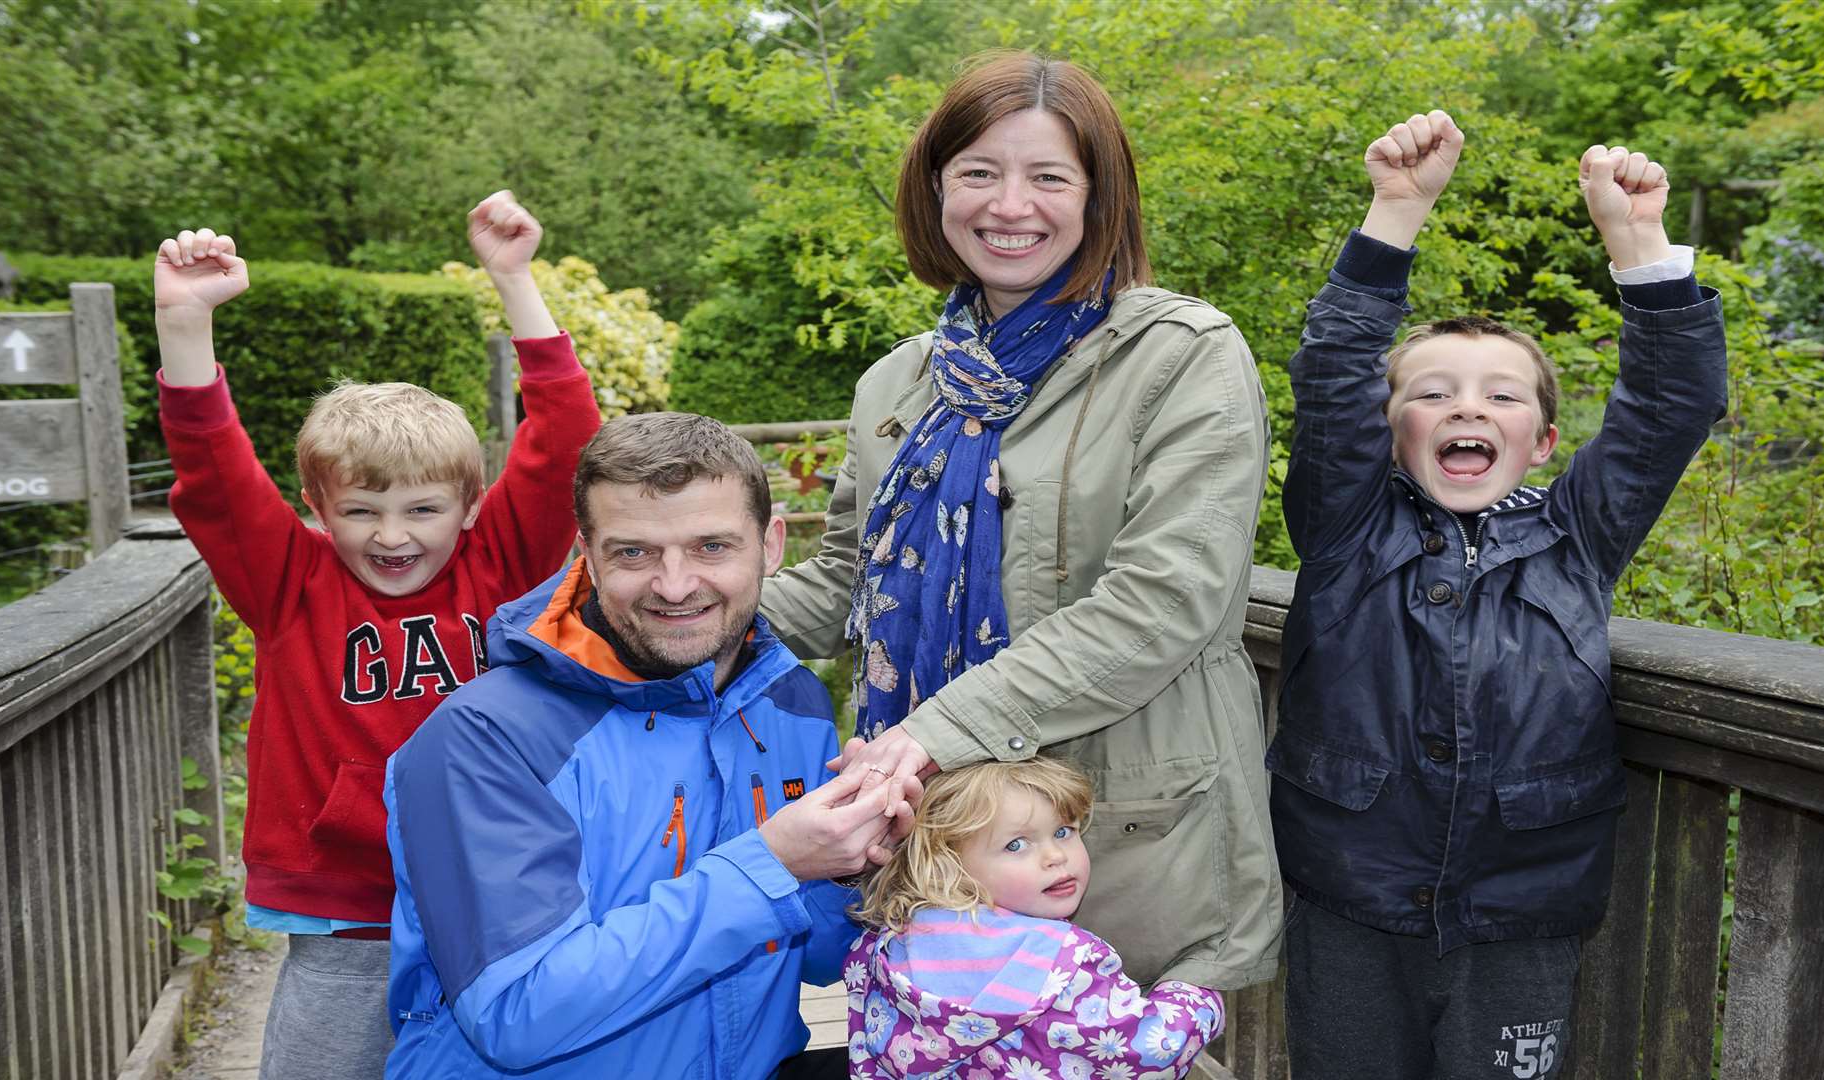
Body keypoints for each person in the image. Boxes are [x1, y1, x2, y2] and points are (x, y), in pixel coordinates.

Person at [761, 49, 1281, 994]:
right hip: (931, 845)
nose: (1010, 206)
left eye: (1048, 176)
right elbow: (845, 583)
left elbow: (1166, 603)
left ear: (1099, 197)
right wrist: (648, 614)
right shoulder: (900, 383)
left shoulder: (1181, 356)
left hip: (1108, 842)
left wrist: (934, 730)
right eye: (979, 173)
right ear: (935, 188)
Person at [1269, 111, 1727, 1079]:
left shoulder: (1579, 534)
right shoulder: (1345, 526)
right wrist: (1397, 210)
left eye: (1502, 396)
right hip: (1352, 909)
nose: (1468, 407)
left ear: (1544, 444)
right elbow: (1336, 373)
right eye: (1432, 393)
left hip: (1523, 918)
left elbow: (1672, 404)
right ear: (1391, 433)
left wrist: (1639, 245)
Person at [152, 193, 600, 1079]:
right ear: (316, 512)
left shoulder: (503, 562)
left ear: (471, 506)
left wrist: (513, 279)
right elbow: (212, 470)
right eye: (361, 511)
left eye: (423, 510)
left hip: (494, 896)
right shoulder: (288, 583)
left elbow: (568, 438)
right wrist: (183, 323)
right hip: (345, 912)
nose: (393, 537)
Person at [383, 412, 912, 1078]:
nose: (674, 584)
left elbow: (819, 955)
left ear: (771, 545)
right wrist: (773, 862)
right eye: (633, 552)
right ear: (588, 554)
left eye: (711, 546)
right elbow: (517, 1013)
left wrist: (856, 857)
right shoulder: (484, 739)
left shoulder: (790, 702)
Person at [845, 757, 1225, 1078]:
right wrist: (1197, 994)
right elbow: (1150, 1050)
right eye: (1016, 844)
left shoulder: (882, 949)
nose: (1055, 856)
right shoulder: (1066, 962)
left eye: (1063, 831)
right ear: (949, 865)